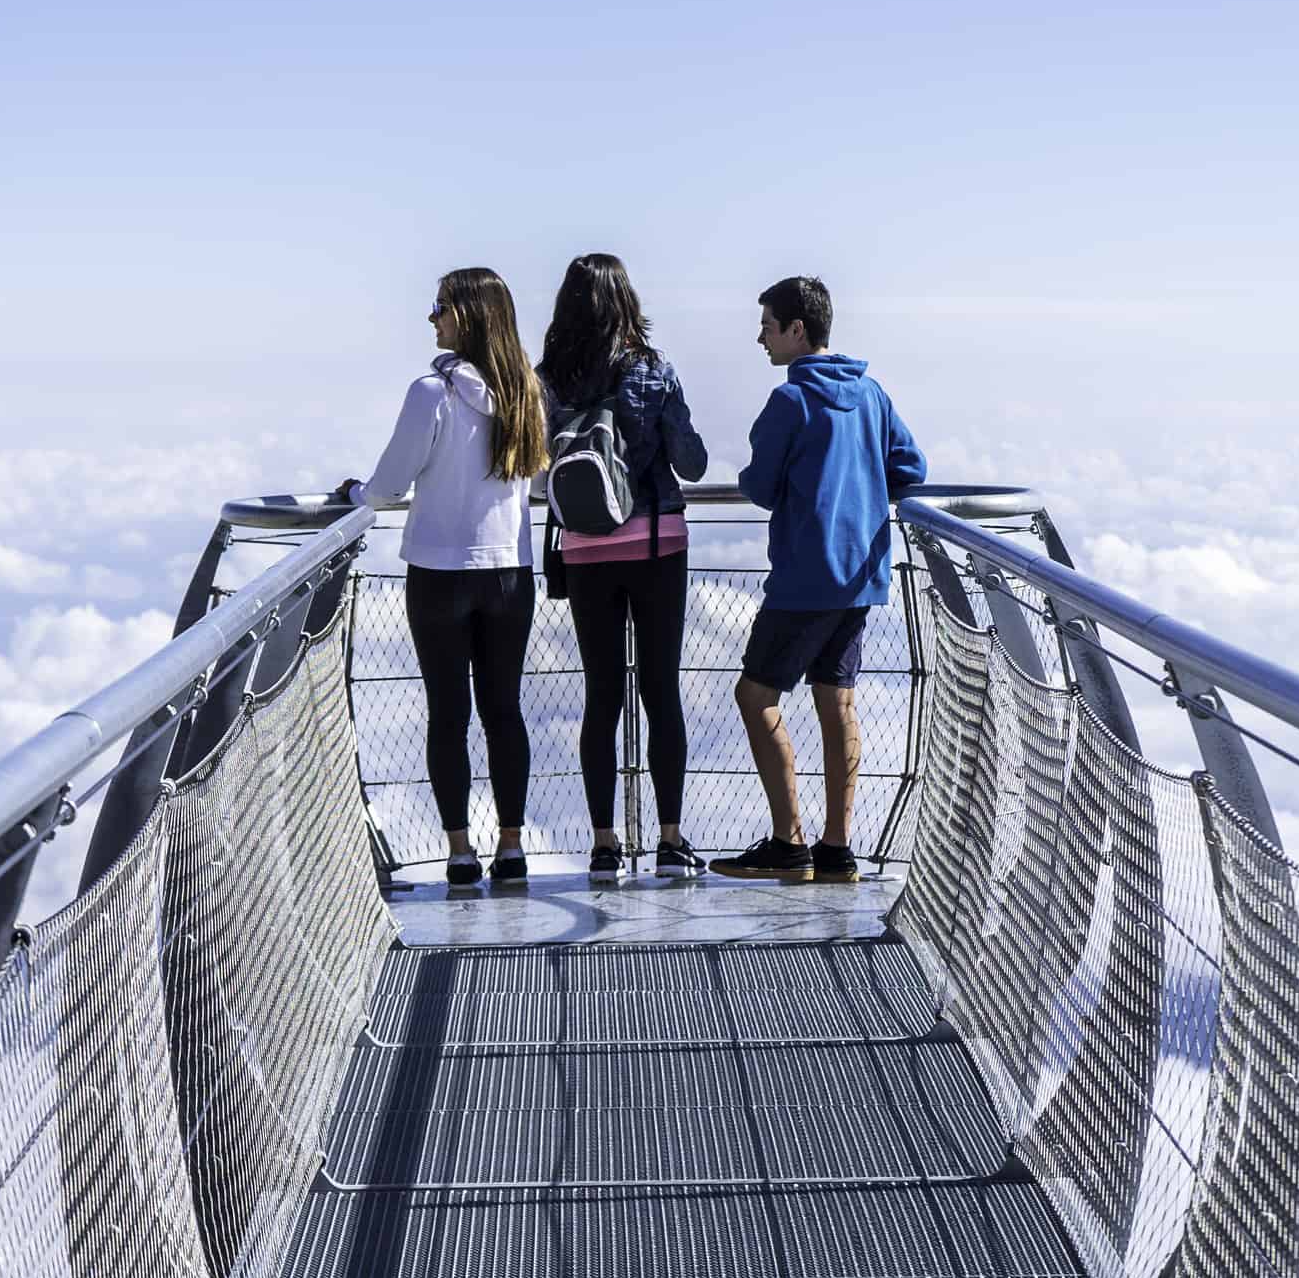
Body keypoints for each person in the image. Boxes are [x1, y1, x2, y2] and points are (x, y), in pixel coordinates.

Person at [336, 267, 550, 891]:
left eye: (440, 308)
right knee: (504, 711)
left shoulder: (432, 392)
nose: (431, 319)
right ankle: (512, 847)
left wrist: (353, 492)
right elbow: (534, 478)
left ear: (469, 317)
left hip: (438, 572)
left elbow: (387, 487)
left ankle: (459, 852)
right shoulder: (525, 393)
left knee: (448, 713)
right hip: (509, 571)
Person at [715, 275, 926, 883]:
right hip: (859, 576)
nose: (761, 338)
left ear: (796, 329)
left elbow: (759, 486)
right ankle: (838, 848)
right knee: (837, 701)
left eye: (768, 325)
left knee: (755, 697)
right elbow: (911, 467)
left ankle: (790, 841)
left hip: (804, 579)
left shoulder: (791, 401)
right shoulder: (872, 394)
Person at [538, 253, 712, 881]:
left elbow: (539, 472)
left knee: (601, 696)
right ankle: (669, 842)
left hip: (585, 550)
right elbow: (692, 464)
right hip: (657, 546)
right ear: (627, 301)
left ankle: (605, 846)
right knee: (661, 691)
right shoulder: (653, 373)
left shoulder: (548, 379)